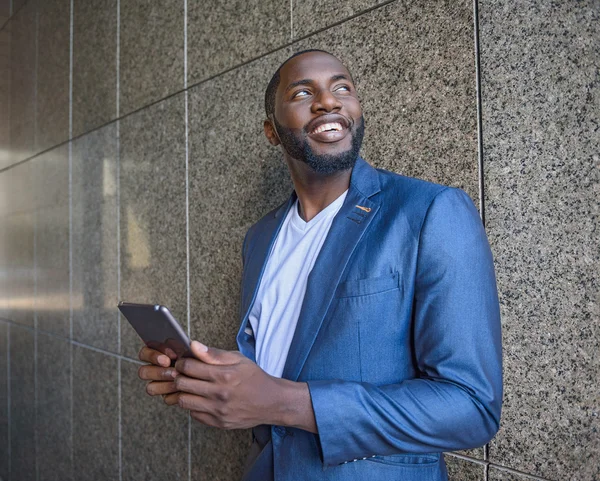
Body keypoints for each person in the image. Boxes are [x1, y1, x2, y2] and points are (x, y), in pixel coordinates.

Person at [137, 49, 503, 481]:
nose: (328, 101)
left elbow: (471, 407)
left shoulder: (431, 212)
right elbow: (283, 366)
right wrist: (210, 387)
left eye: (342, 88)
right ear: (271, 132)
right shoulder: (259, 238)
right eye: (303, 92)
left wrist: (280, 401)